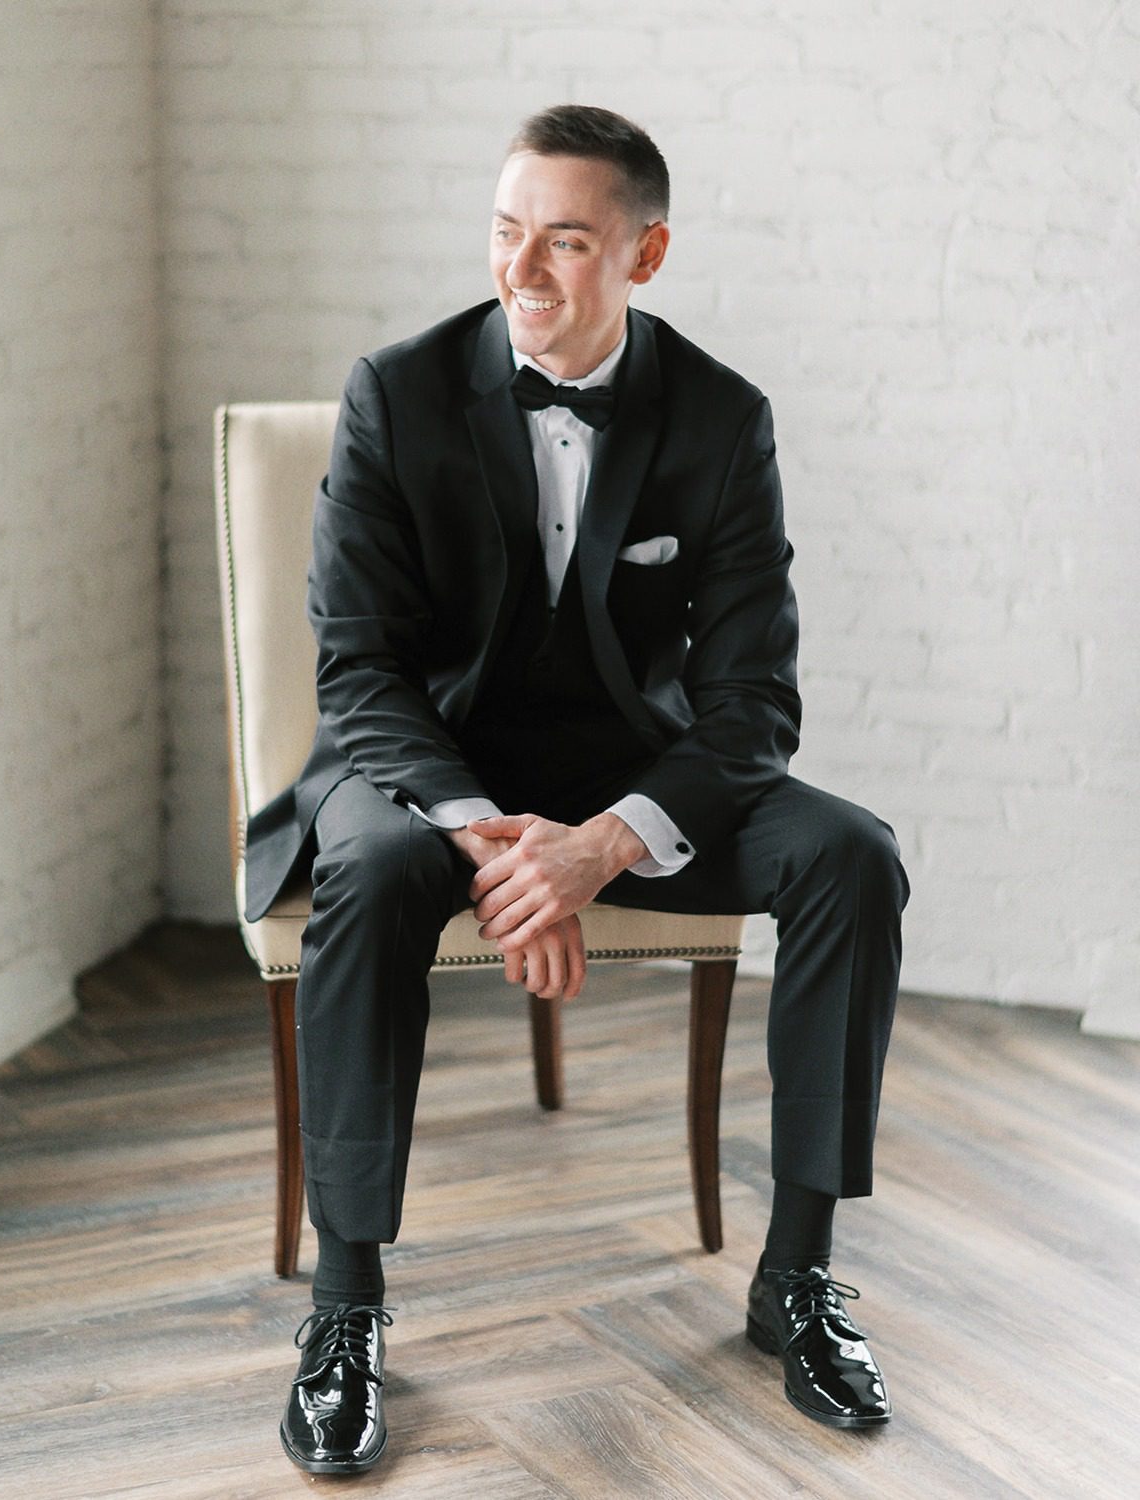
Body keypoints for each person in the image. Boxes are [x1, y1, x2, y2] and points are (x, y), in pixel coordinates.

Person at [243, 104, 911, 1475]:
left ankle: (798, 1275)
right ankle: (346, 1307)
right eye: (505, 232)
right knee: (368, 868)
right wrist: (506, 851)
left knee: (852, 853)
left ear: (644, 254)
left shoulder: (721, 418)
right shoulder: (397, 393)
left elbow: (752, 702)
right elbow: (359, 669)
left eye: (563, 240)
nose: (522, 269)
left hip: (628, 774)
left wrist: (602, 845)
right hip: (423, 772)